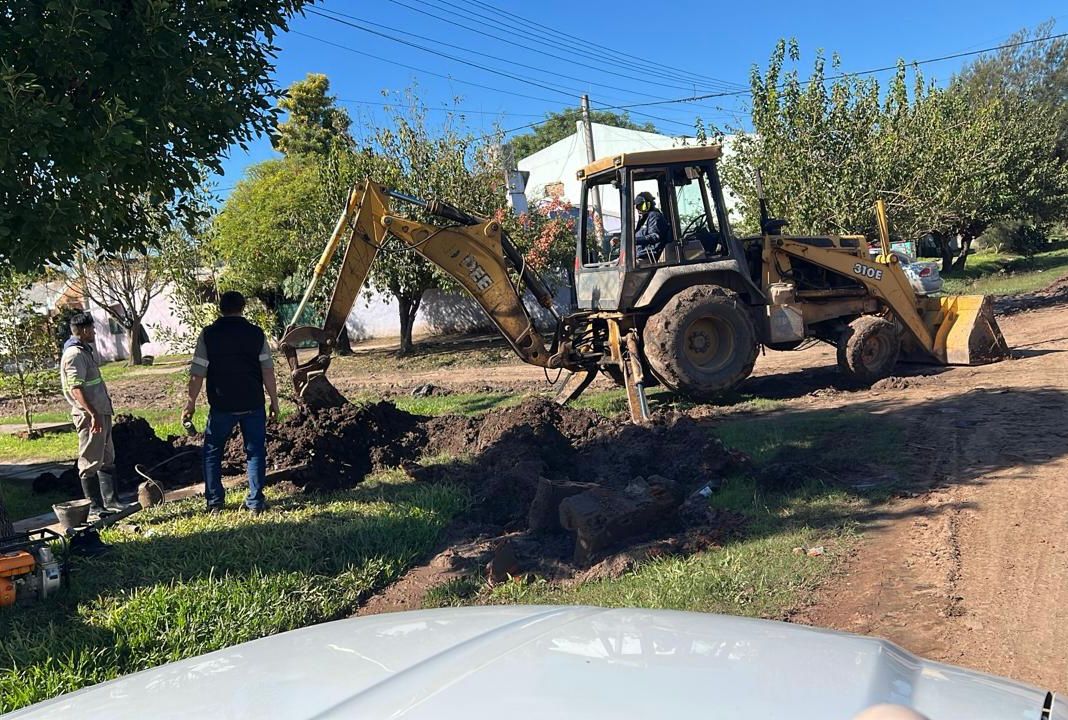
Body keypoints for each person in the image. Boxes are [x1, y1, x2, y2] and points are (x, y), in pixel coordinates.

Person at [183, 291, 279, 514]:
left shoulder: (208, 335)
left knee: (212, 452)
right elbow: (267, 370)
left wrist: (190, 403)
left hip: (222, 405)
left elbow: (197, 373)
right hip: (252, 402)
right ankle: (255, 503)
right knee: (255, 452)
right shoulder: (256, 334)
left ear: (220, 308)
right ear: (243, 308)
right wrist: (274, 401)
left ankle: (215, 503)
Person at [60, 312, 123, 518]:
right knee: (90, 459)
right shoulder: (75, 355)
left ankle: (111, 502)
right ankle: (95, 507)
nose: (95, 332)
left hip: (100, 411)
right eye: (93, 329)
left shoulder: (84, 351)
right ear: (85, 330)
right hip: (89, 416)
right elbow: (76, 389)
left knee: (107, 457)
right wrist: (93, 414)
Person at [634, 191, 673, 258]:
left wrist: (635, 240)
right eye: (637, 207)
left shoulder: (654, 216)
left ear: (648, 204)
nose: (638, 209)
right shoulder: (643, 219)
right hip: (640, 254)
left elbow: (655, 236)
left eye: (641, 206)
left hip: (650, 256)